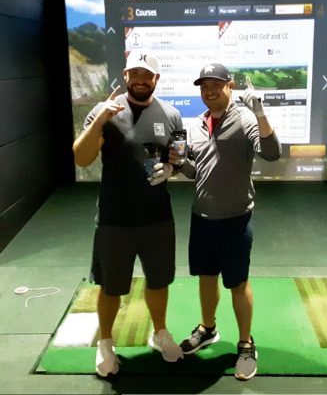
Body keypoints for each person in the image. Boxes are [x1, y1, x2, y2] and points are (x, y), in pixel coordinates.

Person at [72, 48, 184, 377]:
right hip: (114, 220)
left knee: (159, 281)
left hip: (158, 218)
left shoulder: (172, 115)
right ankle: (105, 343)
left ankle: (160, 333)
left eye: (146, 75)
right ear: (125, 76)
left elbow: (179, 156)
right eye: (134, 74)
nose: (140, 80)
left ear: (156, 79)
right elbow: (81, 158)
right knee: (110, 287)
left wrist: (171, 169)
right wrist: (100, 122)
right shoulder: (103, 111)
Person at [169, 63, 282, 381]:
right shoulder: (195, 125)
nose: (210, 91)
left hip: (235, 218)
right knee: (206, 277)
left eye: (216, 84)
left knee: (237, 283)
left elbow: (272, 153)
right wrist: (178, 164)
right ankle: (208, 329)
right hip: (201, 215)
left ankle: (246, 343)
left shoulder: (245, 119)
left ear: (230, 86)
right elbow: (195, 171)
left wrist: (260, 113)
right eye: (204, 86)